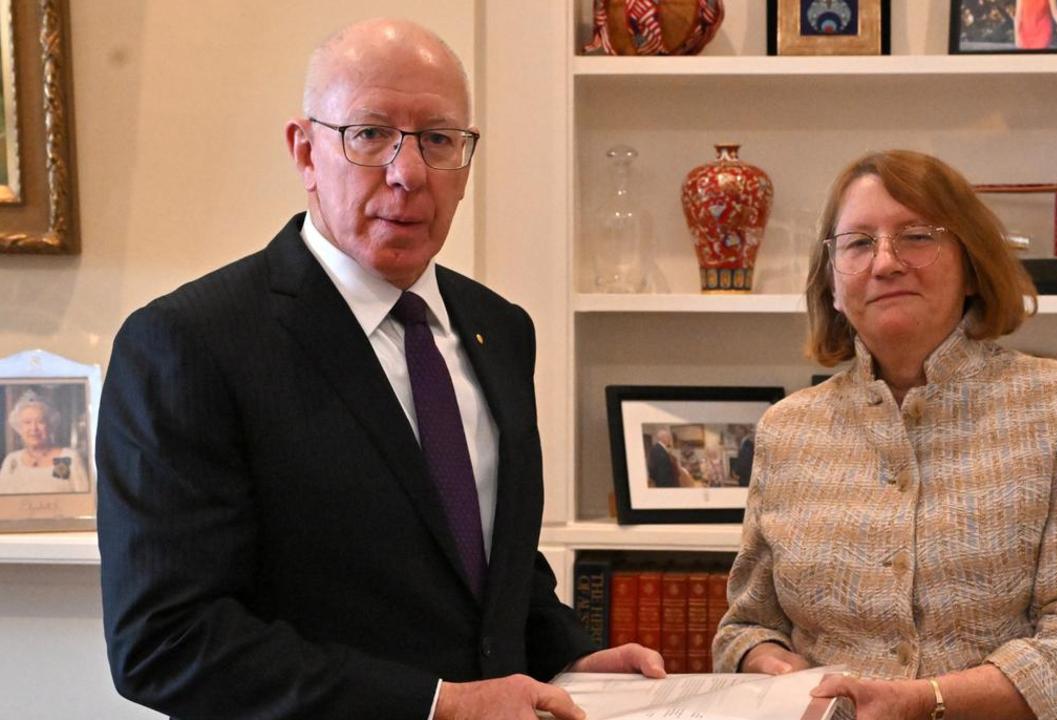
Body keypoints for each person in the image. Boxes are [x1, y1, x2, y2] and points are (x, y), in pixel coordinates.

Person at [96, 18, 661, 720]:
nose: (408, 172)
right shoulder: (188, 344)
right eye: (368, 135)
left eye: (438, 139)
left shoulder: (500, 328)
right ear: (305, 153)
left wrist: (570, 653)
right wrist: (436, 704)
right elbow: (166, 640)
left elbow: (484, 563)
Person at [711, 150, 1057, 720]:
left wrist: (925, 702)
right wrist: (769, 662)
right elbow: (745, 627)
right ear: (834, 286)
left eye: (916, 237)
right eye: (859, 243)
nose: (886, 262)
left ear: (971, 265)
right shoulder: (787, 429)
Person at [0, 391, 89, 495]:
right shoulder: (12, 460)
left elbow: (86, 504)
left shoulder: (67, 457)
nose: (33, 428)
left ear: (50, 425)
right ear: (19, 428)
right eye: (27, 422)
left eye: (40, 421)